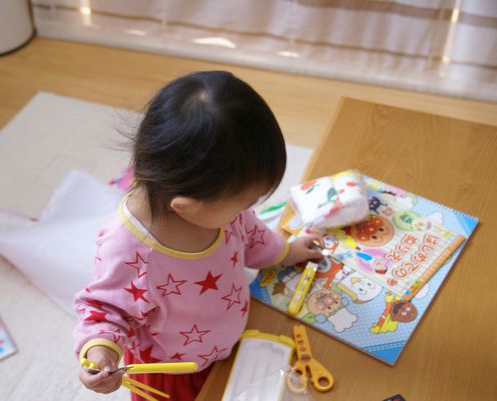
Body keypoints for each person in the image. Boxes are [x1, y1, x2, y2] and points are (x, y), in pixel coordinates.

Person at [74, 70, 323, 400]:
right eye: (243, 205)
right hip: (171, 369)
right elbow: (105, 310)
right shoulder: (129, 251)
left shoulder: (217, 207)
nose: (246, 212)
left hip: (229, 338)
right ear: (187, 207)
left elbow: (252, 234)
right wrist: (100, 352)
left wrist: (286, 252)